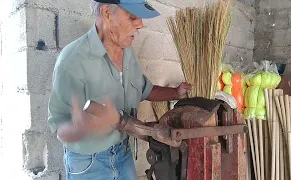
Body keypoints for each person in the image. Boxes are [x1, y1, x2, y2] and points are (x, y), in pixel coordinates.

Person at [47, 0, 192, 180]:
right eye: (132, 17)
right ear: (107, 12)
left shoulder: (128, 53)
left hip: (123, 154)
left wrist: (175, 93)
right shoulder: (72, 60)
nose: (141, 24)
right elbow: (58, 125)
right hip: (89, 163)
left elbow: (143, 90)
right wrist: (80, 128)